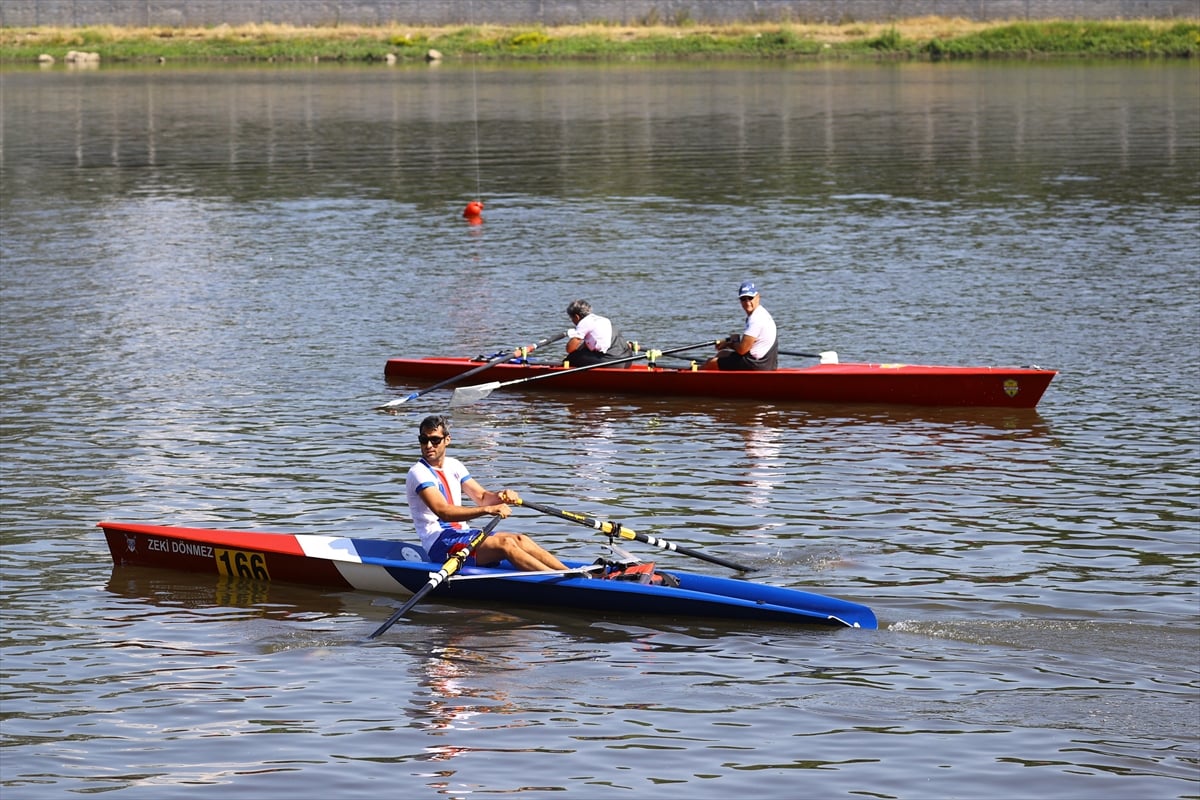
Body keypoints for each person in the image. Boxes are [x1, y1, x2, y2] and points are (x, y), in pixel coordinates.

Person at [405, 414, 569, 572]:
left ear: (447, 440)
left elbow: (482, 497)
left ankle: (575, 575)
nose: (428, 445)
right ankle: (562, 583)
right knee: (505, 544)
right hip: (439, 543)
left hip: (462, 534)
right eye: (423, 440)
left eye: (435, 440)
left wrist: (501, 496)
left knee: (520, 539)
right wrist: (488, 510)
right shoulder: (418, 473)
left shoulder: (454, 465)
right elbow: (444, 512)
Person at [703, 279, 779, 371]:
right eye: (743, 299)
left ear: (758, 297)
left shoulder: (756, 319)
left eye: (750, 298)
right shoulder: (761, 313)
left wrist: (729, 344)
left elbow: (742, 349)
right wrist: (731, 343)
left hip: (756, 365)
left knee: (710, 363)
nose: (747, 302)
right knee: (722, 354)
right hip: (766, 363)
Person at [564, 299, 634, 368]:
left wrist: (573, 336)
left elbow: (570, 349)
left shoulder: (584, 322)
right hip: (627, 361)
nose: (572, 321)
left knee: (573, 356)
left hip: (613, 363)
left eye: (571, 318)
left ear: (577, 317)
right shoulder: (603, 319)